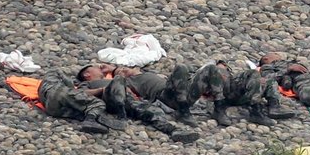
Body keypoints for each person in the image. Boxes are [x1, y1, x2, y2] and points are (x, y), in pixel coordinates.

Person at [77, 62, 231, 126]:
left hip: (182, 93)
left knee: (211, 68)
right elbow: (82, 92)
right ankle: (183, 112)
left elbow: (127, 71)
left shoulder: (130, 74)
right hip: (165, 96)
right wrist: (113, 74)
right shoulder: (99, 83)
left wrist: (114, 68)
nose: (99, 67)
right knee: (181, 68)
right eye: (95, 67)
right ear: (87, 74)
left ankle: (219, 108)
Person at [37, 70, 127, 134]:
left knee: (79, 109)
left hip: (51, 107)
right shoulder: (56, 72)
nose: (102, 72)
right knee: (97, 103)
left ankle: (98, 119)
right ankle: (90, 120)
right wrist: (101, 90)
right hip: (57, 93)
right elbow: (72, 90)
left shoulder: (45, 83)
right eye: (98, 69)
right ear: (87, 74)